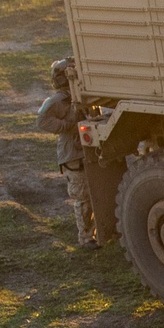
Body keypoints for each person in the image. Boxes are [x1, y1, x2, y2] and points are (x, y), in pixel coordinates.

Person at [36, 56, 97, 250]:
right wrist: (67, 126)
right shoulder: (57, 102)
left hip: (89, 152)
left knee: (96, 193)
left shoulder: (85, 95)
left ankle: (99, 231)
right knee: (83, 198)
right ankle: (86, 238)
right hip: (74, 154)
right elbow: (42, 120)